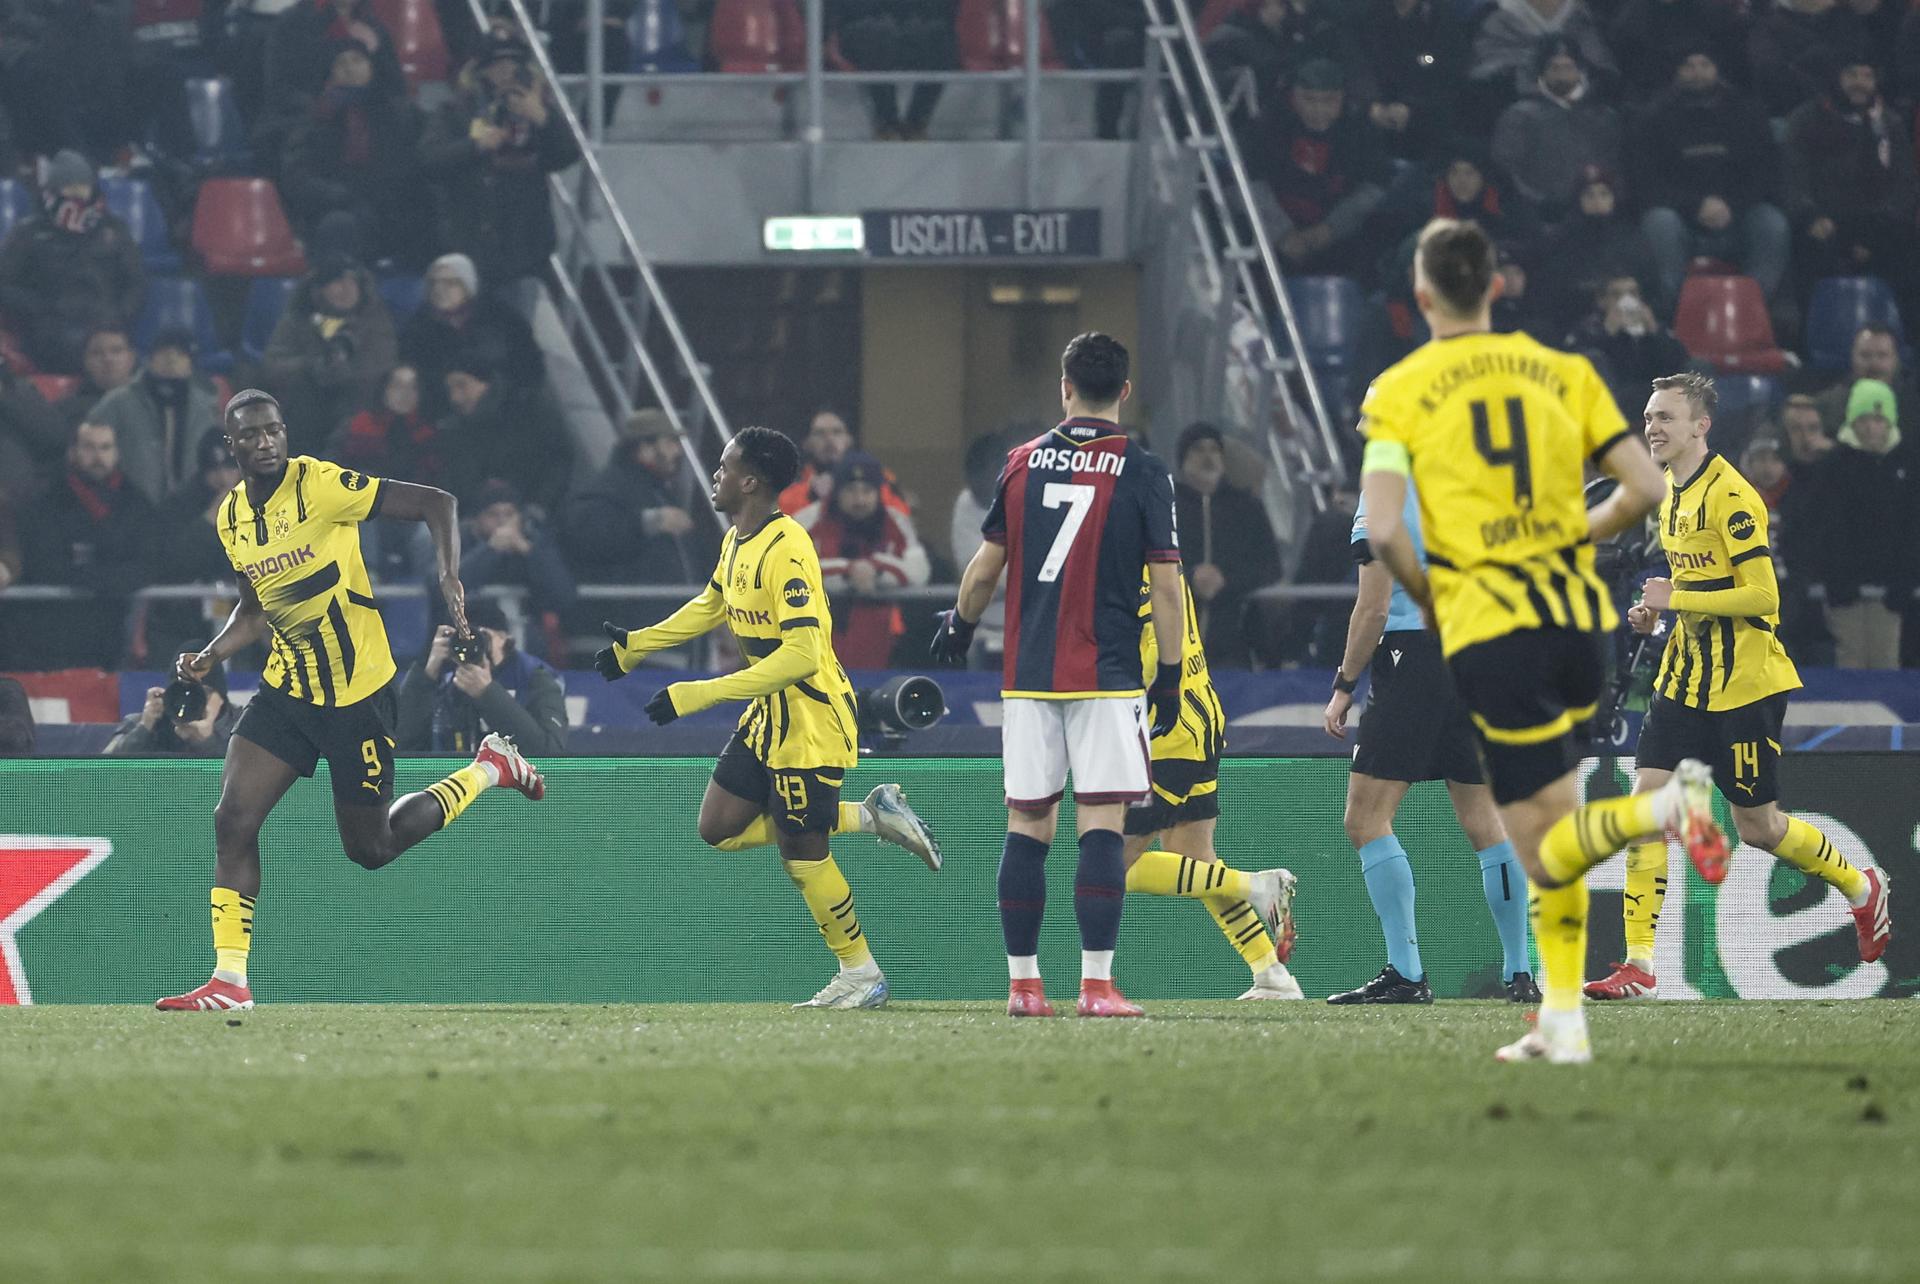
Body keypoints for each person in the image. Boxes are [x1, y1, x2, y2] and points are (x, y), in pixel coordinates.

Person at [1358, 219, 1722, 1063]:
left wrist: (1436, 593)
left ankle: (1669, 808)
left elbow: (1383, 527)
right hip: (1575, 624)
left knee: (1546, 839)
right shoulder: (1565, 372)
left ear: (1421, 298)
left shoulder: (1398, 389)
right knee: (1545, 830)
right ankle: (1560, 1022)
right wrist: (1567, 537)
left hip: (1497, 623)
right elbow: (1640, 490)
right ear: (1496, 287)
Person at [153, 389, 548, 1013]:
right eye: (251, 435)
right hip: (286, 690)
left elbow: (436, 502)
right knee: (232, 819)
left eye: (274, 431)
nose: (265, 443)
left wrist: (449, 573)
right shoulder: (231, 517)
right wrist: (211, 655)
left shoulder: (320, 485)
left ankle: (487, 768)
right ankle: (229, 981)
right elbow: (255, 608)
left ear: (285, 433)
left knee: (371, 849)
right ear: (231, 446)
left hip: (355, 694)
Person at [932, 333, 1291, 1018]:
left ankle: (1024, 986)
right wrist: (1170, 675)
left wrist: (957, 624)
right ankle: (1096, 987)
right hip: (1109, 676)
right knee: (1102, 828)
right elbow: (1164, 582)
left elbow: (984, 569)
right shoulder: (1145, 471)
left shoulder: (1021, 462)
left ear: (1064, 386)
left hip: (1030, 678)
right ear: (1124, 392)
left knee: (1026, 826)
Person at [595, 427, 943, 1010]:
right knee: (718, 830)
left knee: (802, 851)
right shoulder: (737, 540)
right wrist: (638, 646)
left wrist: (701, 694)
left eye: (725, 465)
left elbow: (804, 654)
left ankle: (861, 973)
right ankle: (870, 815)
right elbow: (712, 603)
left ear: (750, 481)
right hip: (768, 715)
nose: (716, 474)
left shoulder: (790, 548)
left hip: (812, 722)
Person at [1586, 374, 1892, 1000]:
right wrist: (1656, 615)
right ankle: (1638, 964)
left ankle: (1862, 887)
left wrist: (1680, 596)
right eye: (1649, 416)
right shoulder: (1668, 488)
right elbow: (1687, 589)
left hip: (1745, 684)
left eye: (1666, 417)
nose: (1653, 427)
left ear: (1701, 426)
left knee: (1759, 827)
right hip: (1683, 676)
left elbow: (1763, 596)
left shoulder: (1734, 496)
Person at [1321, 479, 1538, 1006]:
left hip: (1414, 654)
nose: (1360, 428)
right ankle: (1521, 973)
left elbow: (1373, 608)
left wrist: (1345, 684)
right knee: (1485, 821)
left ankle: (1407, 972)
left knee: (1365, 819)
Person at [1123, 571, 1303, 1000]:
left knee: (1110, 865)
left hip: (1165, 735)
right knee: (1196, 861)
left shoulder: (1122, 568)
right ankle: (1271, 974)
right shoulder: (1161, 556)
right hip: (1200, 714)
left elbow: (1149, 657)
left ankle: (1259, 886)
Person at [1630, 48, 1789, 311]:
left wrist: (1733, 204)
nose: (1697, 73)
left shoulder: (1746, 111)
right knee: (1659, 223)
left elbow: (1765, 172)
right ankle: (1676, 316)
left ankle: (1751, 312)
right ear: (1676, 71)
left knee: (1772, 223)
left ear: (1717, 69)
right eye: (1688, 66)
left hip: (1739, 215)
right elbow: (1646, 180)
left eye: (1705, 64)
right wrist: (1694, 206)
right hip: (1681, 220)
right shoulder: (1652, 116)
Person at [419, 33, 582, 289]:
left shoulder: (540, 109)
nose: (507, 73)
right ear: (480, 71)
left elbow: (567, 155)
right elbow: (430, 161)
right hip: (469, 241)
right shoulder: (454, 111)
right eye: (499, 66)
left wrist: (542, 118)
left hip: (525, 247)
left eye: (514, 66)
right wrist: (475, 146)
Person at [16, 419, 159, 669]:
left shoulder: (136, 503)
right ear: (74, 452)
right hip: (54, 634)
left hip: (113, 630)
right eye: (89, 447)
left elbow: (149, 561)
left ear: (117, 452)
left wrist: (92, 573)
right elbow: (43, 563)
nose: (98, 456)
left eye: (105, 448)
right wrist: (108, 575)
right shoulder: (47, 500)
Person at [279, 39, 432, 268]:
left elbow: (427, 155)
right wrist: (340, 196)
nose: (351, 68)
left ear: (371, 66)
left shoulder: (403, 112)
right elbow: (297, 177)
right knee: (339, 225)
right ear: (331, 73)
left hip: (397, 208)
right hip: (342, 207)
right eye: (341, 63)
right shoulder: (315, 119)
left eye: (358, 60)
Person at [1783, 55, 1917, 309]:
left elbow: (1905, 183)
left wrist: (1872, 235)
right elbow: (1793, 177)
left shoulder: (1890, 123)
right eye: (1852, 75)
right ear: (1836, 78)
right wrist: (1810, 215)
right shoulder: (1805, 119)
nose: (1860, 83)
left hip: (1877, 223)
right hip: (1825, 218)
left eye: (1868, 76)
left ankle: (1903, 339)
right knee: (1815, 248)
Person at [0, 150, 146, 376]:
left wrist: (118, 316)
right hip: (50, 330)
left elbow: (136, 282)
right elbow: (5, 285)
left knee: (116, 355)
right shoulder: (28, 233)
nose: (77, 193)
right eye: (69, 186)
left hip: (105, 323)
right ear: (54, 189)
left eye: (82, 185)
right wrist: (38, 310)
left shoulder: (113, 229)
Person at [1245, 58, 1389, 276]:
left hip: (1337, 242)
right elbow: (1245, 182)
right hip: (1269, 236)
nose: (1318, 110)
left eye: (1328, 101)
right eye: (1309, 100)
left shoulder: (1360, 132)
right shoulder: (1269, 125)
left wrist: (1330, 230)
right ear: (1294, 97)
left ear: (1341, 99)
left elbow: (1375, 188)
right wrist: (1281, 232)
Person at [799, 451, 929, 668]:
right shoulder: (808, 520)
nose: (859, 499)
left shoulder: (895, 521)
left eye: (867, 491)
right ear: (837, 492)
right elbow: (792, 571)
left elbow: (919, 570)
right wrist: (849, 571)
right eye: (850, 491)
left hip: (881, 647)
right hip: (814, 646)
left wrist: (876, 570)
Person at [260, 254, 399, 458]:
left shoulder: (374, 320)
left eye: (352, 281)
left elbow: (383, 365)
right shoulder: (297, 319)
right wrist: (311, 366)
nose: (346, 289)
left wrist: (344, 370)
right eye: (337, 282)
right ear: (319, 290)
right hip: (306, 414)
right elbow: (273, 365)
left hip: (358, 413)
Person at [562, 408, 714, 586]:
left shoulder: (660, 493)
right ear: (645, 448)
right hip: (634, 609)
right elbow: (588, 535)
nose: (678, 451)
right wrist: (647, 522)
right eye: (669, 442)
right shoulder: (610, 487)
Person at [1172, 422, 1280, 668]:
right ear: (1183, 458)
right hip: (1170, 648)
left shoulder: (1247, 509)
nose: (1208, 457)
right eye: (1198, 449)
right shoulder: (1163, 503)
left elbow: (1270, 567)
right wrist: (1190, 578)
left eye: (1214, 450)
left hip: (1231, 650)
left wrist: (1227, 581)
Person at [397, 600, 568, 755]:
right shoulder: (444, 682)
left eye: (482, 637)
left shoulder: (534, 678)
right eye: (463, 639)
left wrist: (488, 694)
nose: (472, 646)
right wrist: (425, 675)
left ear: (505, 637)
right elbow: (400, 748)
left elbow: (549, 753)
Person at [399, 253, 543, 421]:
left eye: (450, 282)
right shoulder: (418, 327)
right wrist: (448, 384)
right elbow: (410, 370)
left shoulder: (502, 318)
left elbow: (531, 369)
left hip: (504, 412)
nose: (439, 289)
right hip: (445, 418)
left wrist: (491, 387)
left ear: (468, 286)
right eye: (433, 283)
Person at [91, 326, 224, 504]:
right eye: (164, 352)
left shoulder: (206, 408)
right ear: (150, 358)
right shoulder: (118, 402)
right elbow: (89, 453)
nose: (171, 358)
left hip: (192, 511)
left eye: (180, 353)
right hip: (129, 511)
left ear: (191, 364)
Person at [1490, 37, 1622, 216]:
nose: (1562, 74)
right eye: (1554, 68)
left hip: (1602, 212)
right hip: (1542, 216)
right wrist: (1541, 202)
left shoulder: (1604, 115)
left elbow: (1617, 163)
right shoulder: (1519, 116)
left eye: (1568, 67)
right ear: (1542, 73)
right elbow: (1506, 171)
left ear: (1580, 71)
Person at [1567, 275, 1692, 421]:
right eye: (1617, 295)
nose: (1627, 301)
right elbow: (1579, 360)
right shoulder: (1590, 329)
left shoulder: (1653, 327)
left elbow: (1680, 358)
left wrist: (1655, 331)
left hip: (1652, 392)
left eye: (1633, 293)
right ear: (1602, 300)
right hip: (1614, 396)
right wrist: (1609, 332)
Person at [458, 478, 576, 621]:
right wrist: (490, 551)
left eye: (509, 514)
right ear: (477, 519)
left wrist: (528, 551)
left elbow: (563, 595)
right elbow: (444, 589)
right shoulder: (460, 541)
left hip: (526, 630)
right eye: (493, 514)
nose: (502, 521)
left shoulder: (533, 541)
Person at [777, 408, 910, 518]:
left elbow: (900, 516)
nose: (829, 439)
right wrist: (812, 495)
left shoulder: (875, 476)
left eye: (837, 432)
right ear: (807, 443)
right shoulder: (790, 480)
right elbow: (782, 522)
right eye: (819, 433)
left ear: (849, 439)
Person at [105, 664, 238, 757]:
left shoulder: (240, 724)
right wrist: (144, 728)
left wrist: (208, 742)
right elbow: (100, 772)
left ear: (221, 698)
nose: (192, 700)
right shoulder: (146, 722)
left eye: (203, 693)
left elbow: (246, 778)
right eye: (185, 692)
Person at [1812, 324, 1919, 438]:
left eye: (1882, 355)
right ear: (1852, 357)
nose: (1874, 363)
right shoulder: (1827, 406)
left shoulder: (1915, 404)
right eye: (1865, 355)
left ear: (1896, 360)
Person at [53, 326, 139, 434]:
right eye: (97, 353)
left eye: (116, 351)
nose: (108, 359)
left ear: (131, 358)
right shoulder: (66, 410)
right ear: (86, 362)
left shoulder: (153, 403)